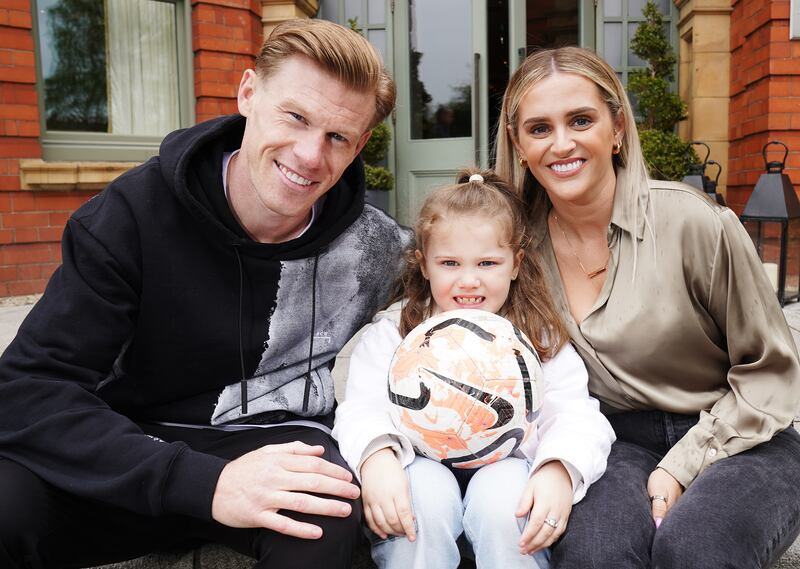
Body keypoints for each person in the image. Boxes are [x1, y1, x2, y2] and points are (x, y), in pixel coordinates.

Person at [0, 19, 411, 569]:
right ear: (248, 93)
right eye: (295, 117)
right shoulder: (130, 216)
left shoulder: (377, 248)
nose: (311, 155)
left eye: (338, 137)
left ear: (359, 145)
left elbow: (478, 289)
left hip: (275, 441)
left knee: (325, 513)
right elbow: (29, 390)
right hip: (131, 445)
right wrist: (204, 483)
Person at [495, 45, 800, 569]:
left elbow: (770, 373)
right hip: (613, 442)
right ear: (519, 145)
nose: (562, 143)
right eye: (539, 128)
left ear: (617, 129)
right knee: (596, 554)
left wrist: (684, 463)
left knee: (696, 549)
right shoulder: (513, 251)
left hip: (742, 436)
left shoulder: (692, 223)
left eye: (581, 120)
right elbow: (434, 310)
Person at [333, 169, 615, 569]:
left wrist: (559, 468)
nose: (469, 281)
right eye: (450, 263)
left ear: (515, 264)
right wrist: (376, 455)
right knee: (421, 500)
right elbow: (362, 407)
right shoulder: (396, 332)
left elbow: (575, 415)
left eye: (487, 263)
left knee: (505, 503)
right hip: (419, 464)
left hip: (510, 468)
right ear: (424, 265)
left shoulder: (538, 335)